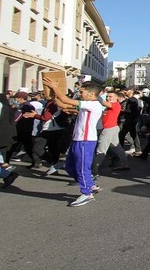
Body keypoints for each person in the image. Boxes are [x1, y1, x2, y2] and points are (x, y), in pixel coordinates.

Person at [43, 78, 104, 207]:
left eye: (82, 92)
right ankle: (89, 185)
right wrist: (54, 93)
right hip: (78, 139)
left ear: (91, 94)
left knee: (81, 168)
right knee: (70, 166)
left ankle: (86, 193)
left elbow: (66, 100)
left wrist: (55, 87)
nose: (79, 93)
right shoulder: (85, 103)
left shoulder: (93, 104)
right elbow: (63, 104)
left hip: (85, 140)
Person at [92, 90, 129, 175]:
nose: (108, 98)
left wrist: (95, 94)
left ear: (117, 98)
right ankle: (124, 163)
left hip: (109, 129)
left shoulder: (115, 105)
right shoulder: (109, 107)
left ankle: (94, 169)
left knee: (101, 150)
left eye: (110, 96)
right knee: (117, 147)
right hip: (112, 128)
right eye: (107, 96)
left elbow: (103, 102)